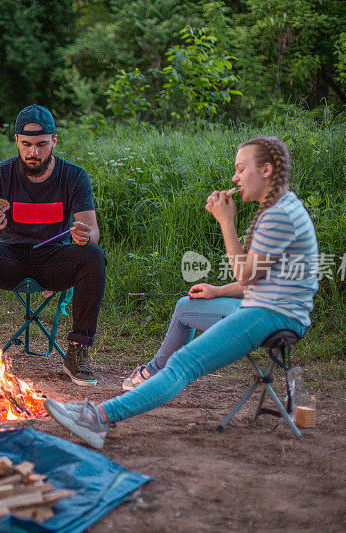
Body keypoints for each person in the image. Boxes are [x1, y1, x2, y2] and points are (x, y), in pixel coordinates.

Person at [45, 136, 319, 448]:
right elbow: (256, 279)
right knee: (187, 307)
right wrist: (217, 290)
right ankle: (151, 375)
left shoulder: (279, 216)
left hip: (273, 315)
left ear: (267, 169)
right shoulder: (282, 206)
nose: (235, 178)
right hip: (268, 306)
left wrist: (226, 223)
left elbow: (245, 273)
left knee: (184, 364)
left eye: (242, 169)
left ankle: (98, 418)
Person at [0, 104, 106, 386]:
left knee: (93, 255)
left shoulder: (74, 176)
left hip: (54, 260)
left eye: (42, 145)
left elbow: (92, 230)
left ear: (54, 141)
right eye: (27, 145)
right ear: (17, 142)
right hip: (10, 259)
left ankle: (78, 351)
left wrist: (84, 235)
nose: (34, 153)